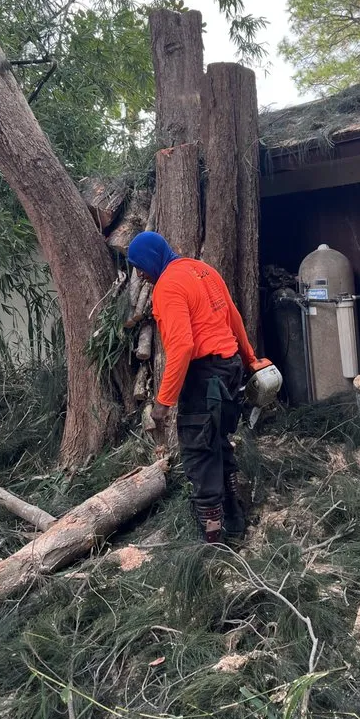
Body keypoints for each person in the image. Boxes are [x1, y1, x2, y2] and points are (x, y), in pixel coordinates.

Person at [127, 231, 273, 543]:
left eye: (140, 266)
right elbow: (233, 317)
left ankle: (212, 541)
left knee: (199, 451)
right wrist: (250, 359)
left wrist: (163, 402)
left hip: (204, 376)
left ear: (152, 258)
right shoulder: (202, 270)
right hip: (230, 368)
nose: (139, 274)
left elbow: (182, 346)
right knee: (218, 442)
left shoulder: (168, 286)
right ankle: (235, 521)